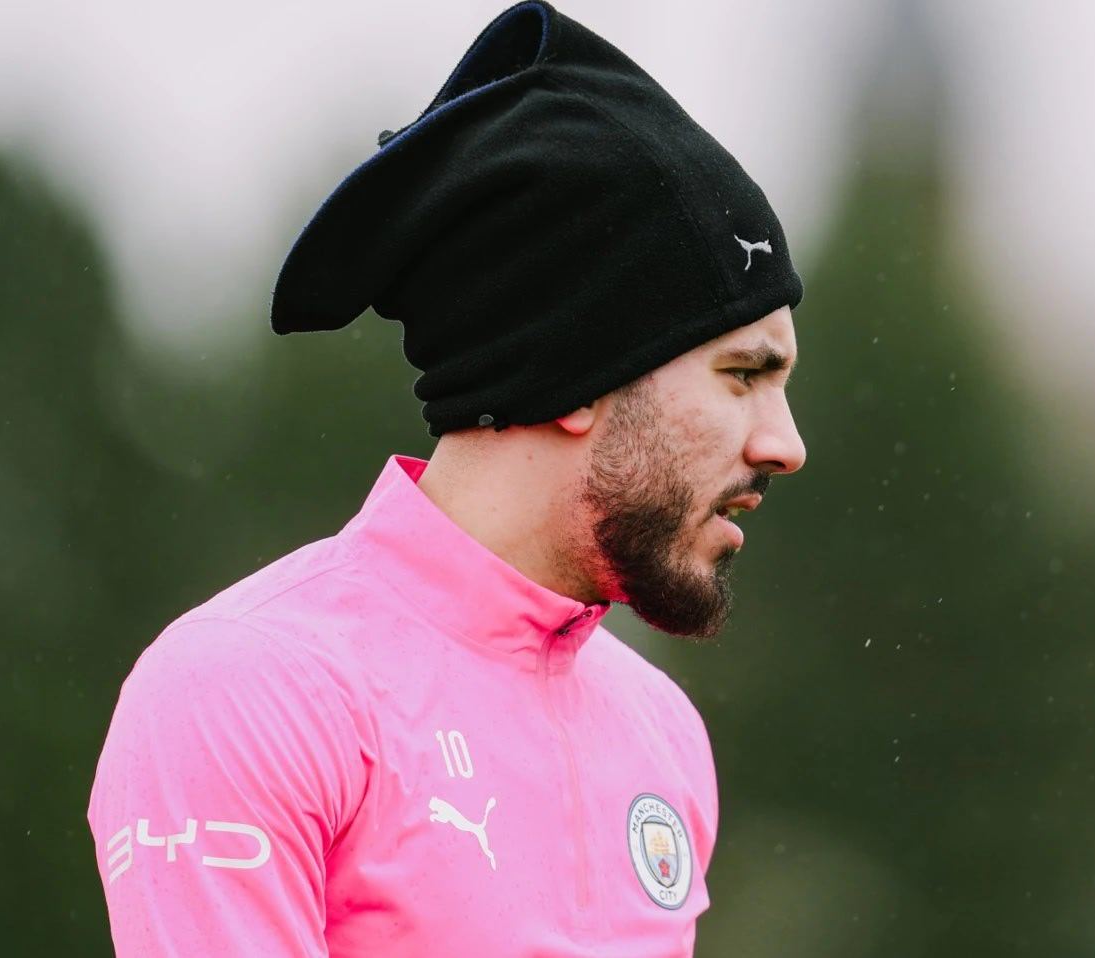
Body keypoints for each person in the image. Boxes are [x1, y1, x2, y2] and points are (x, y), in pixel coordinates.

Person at [86, 1, 807, 954]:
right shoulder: (249, 690)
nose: (785, 445)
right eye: (743, 375)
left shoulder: (660, 727)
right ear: (579, 378)